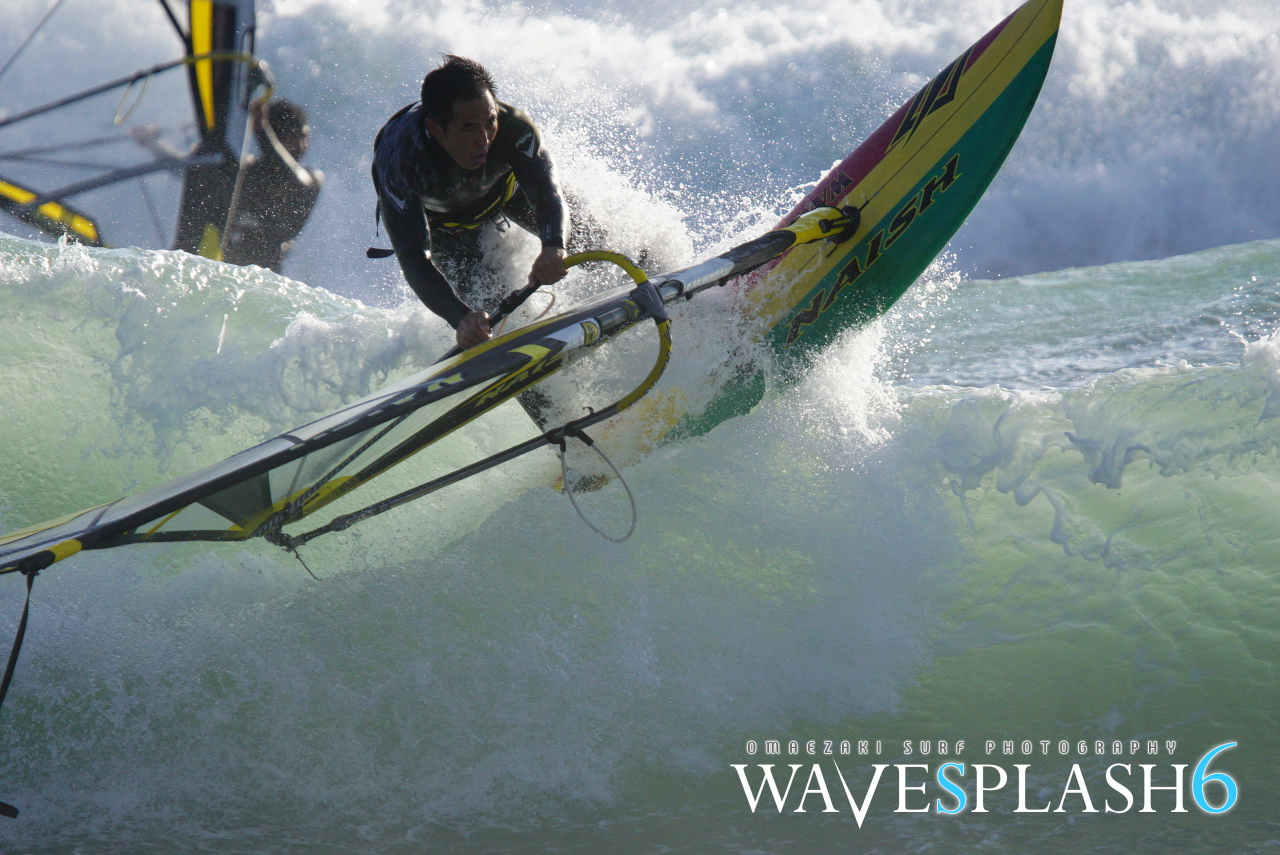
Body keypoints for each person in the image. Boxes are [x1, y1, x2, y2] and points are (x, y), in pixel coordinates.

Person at [372, 54, 600, 350]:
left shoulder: (514, 127)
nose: (483, 139)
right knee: (487, 328)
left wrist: (553, 245)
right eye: (469, 128)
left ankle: (654, 275)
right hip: (450, 232)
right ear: (436, 129)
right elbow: (413, 256)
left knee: (591, 240)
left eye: (490, 122)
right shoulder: (401, 158)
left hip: (509, 195)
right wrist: (460, 319)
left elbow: (548, 193)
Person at [221, 99, 323, 272]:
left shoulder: (311, 180)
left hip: (265, 274)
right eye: (292, 138)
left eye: (303, 137)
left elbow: (290, 175)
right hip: (221, 267)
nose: (300, 146)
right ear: (277, 138)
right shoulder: (245, 172)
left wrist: (262, 131)